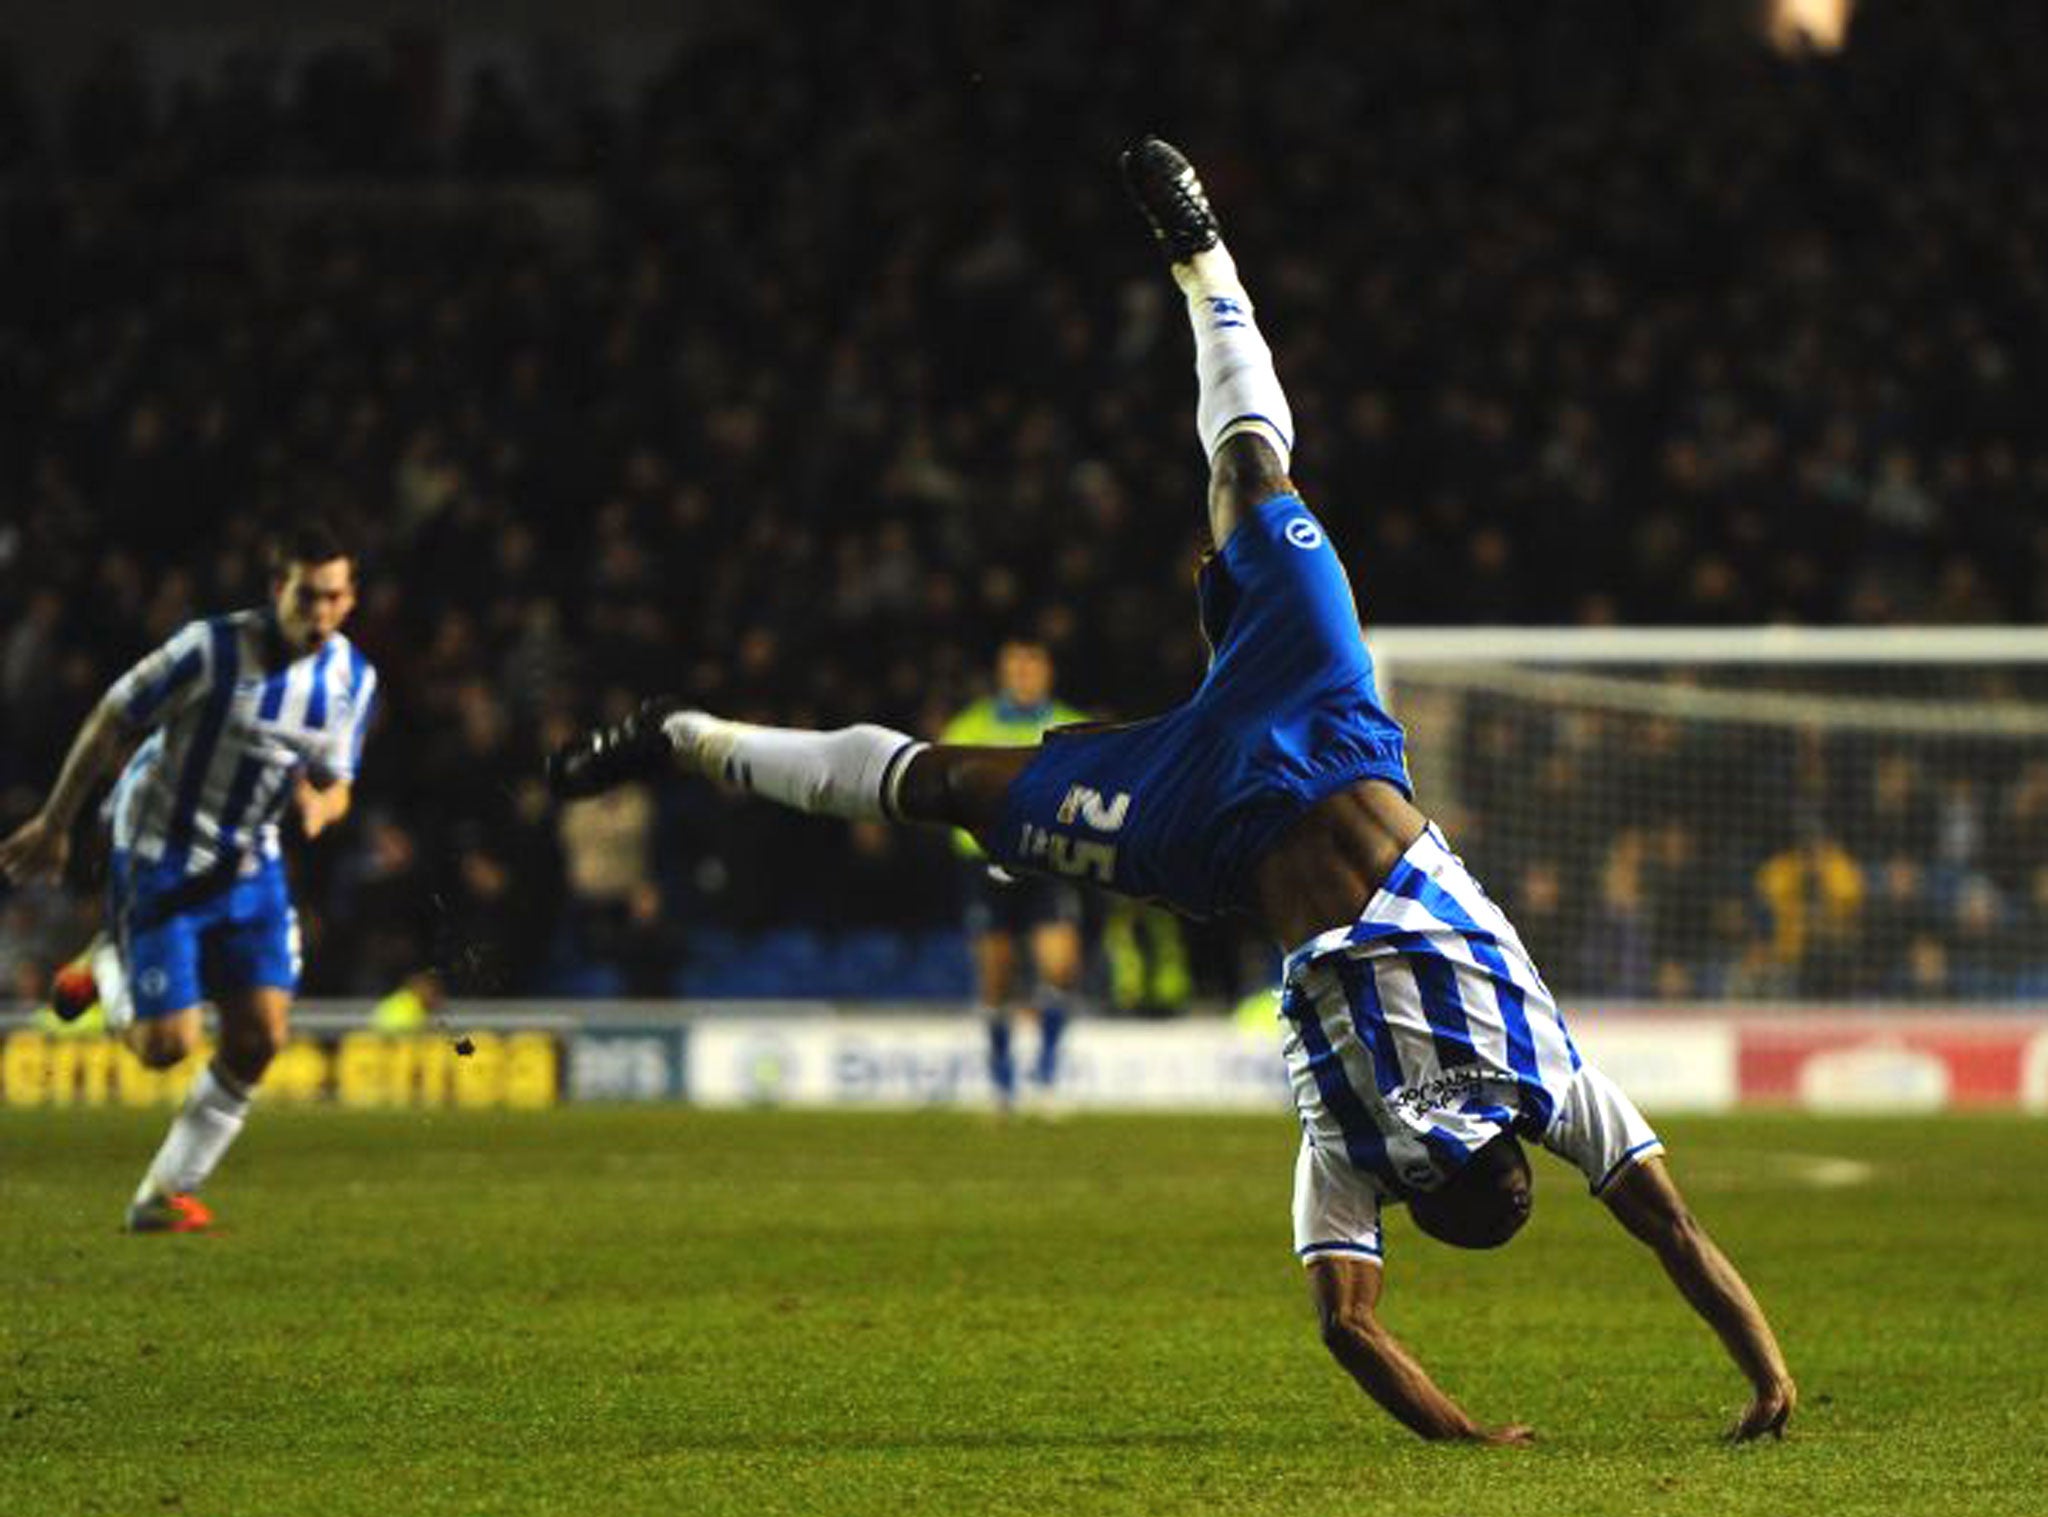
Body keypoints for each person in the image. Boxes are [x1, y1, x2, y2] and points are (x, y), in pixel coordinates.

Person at [547, 139, 1795, 1443]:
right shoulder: (1533, 1081)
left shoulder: (1395, 1140)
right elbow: (1590, 1255)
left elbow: (1380, 1317)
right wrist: (1750, 1377)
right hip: (1328, 728)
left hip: (1198, 827)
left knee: (944, 786)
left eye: (1493, 1205)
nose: (1514, 1197)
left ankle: (685, 736)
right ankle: (1204, 258)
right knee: (1244, 492)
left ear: (1452, 1196)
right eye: (1510, 1200)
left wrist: (1522, 1425)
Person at [0, 520, 376, 1233]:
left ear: (351, 598)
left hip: (249, 861)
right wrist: (56, 822)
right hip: (159, 853)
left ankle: (163, 1193)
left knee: (261, 1037)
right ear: (277, 590)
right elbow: (111, 719)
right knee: (163, 1048)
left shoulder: (352, 680)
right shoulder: (210, 650)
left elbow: (337, 779)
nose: (319, 613)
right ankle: (108, 960)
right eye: (306, 596)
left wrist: (322, 807)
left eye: (333, 597)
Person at [940, 639, 1087, 1110]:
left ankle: (1045, 1070)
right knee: (997, 973)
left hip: (1048, 858)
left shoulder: (1074, 726)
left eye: (1032, 667)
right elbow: (942, 793)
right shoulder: (971, 726)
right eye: (1015, 668)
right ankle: (1002, 1076)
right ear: (1003, 674)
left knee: (1061, 966)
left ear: (1047, 673)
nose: (1024, 676)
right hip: (986, 862)